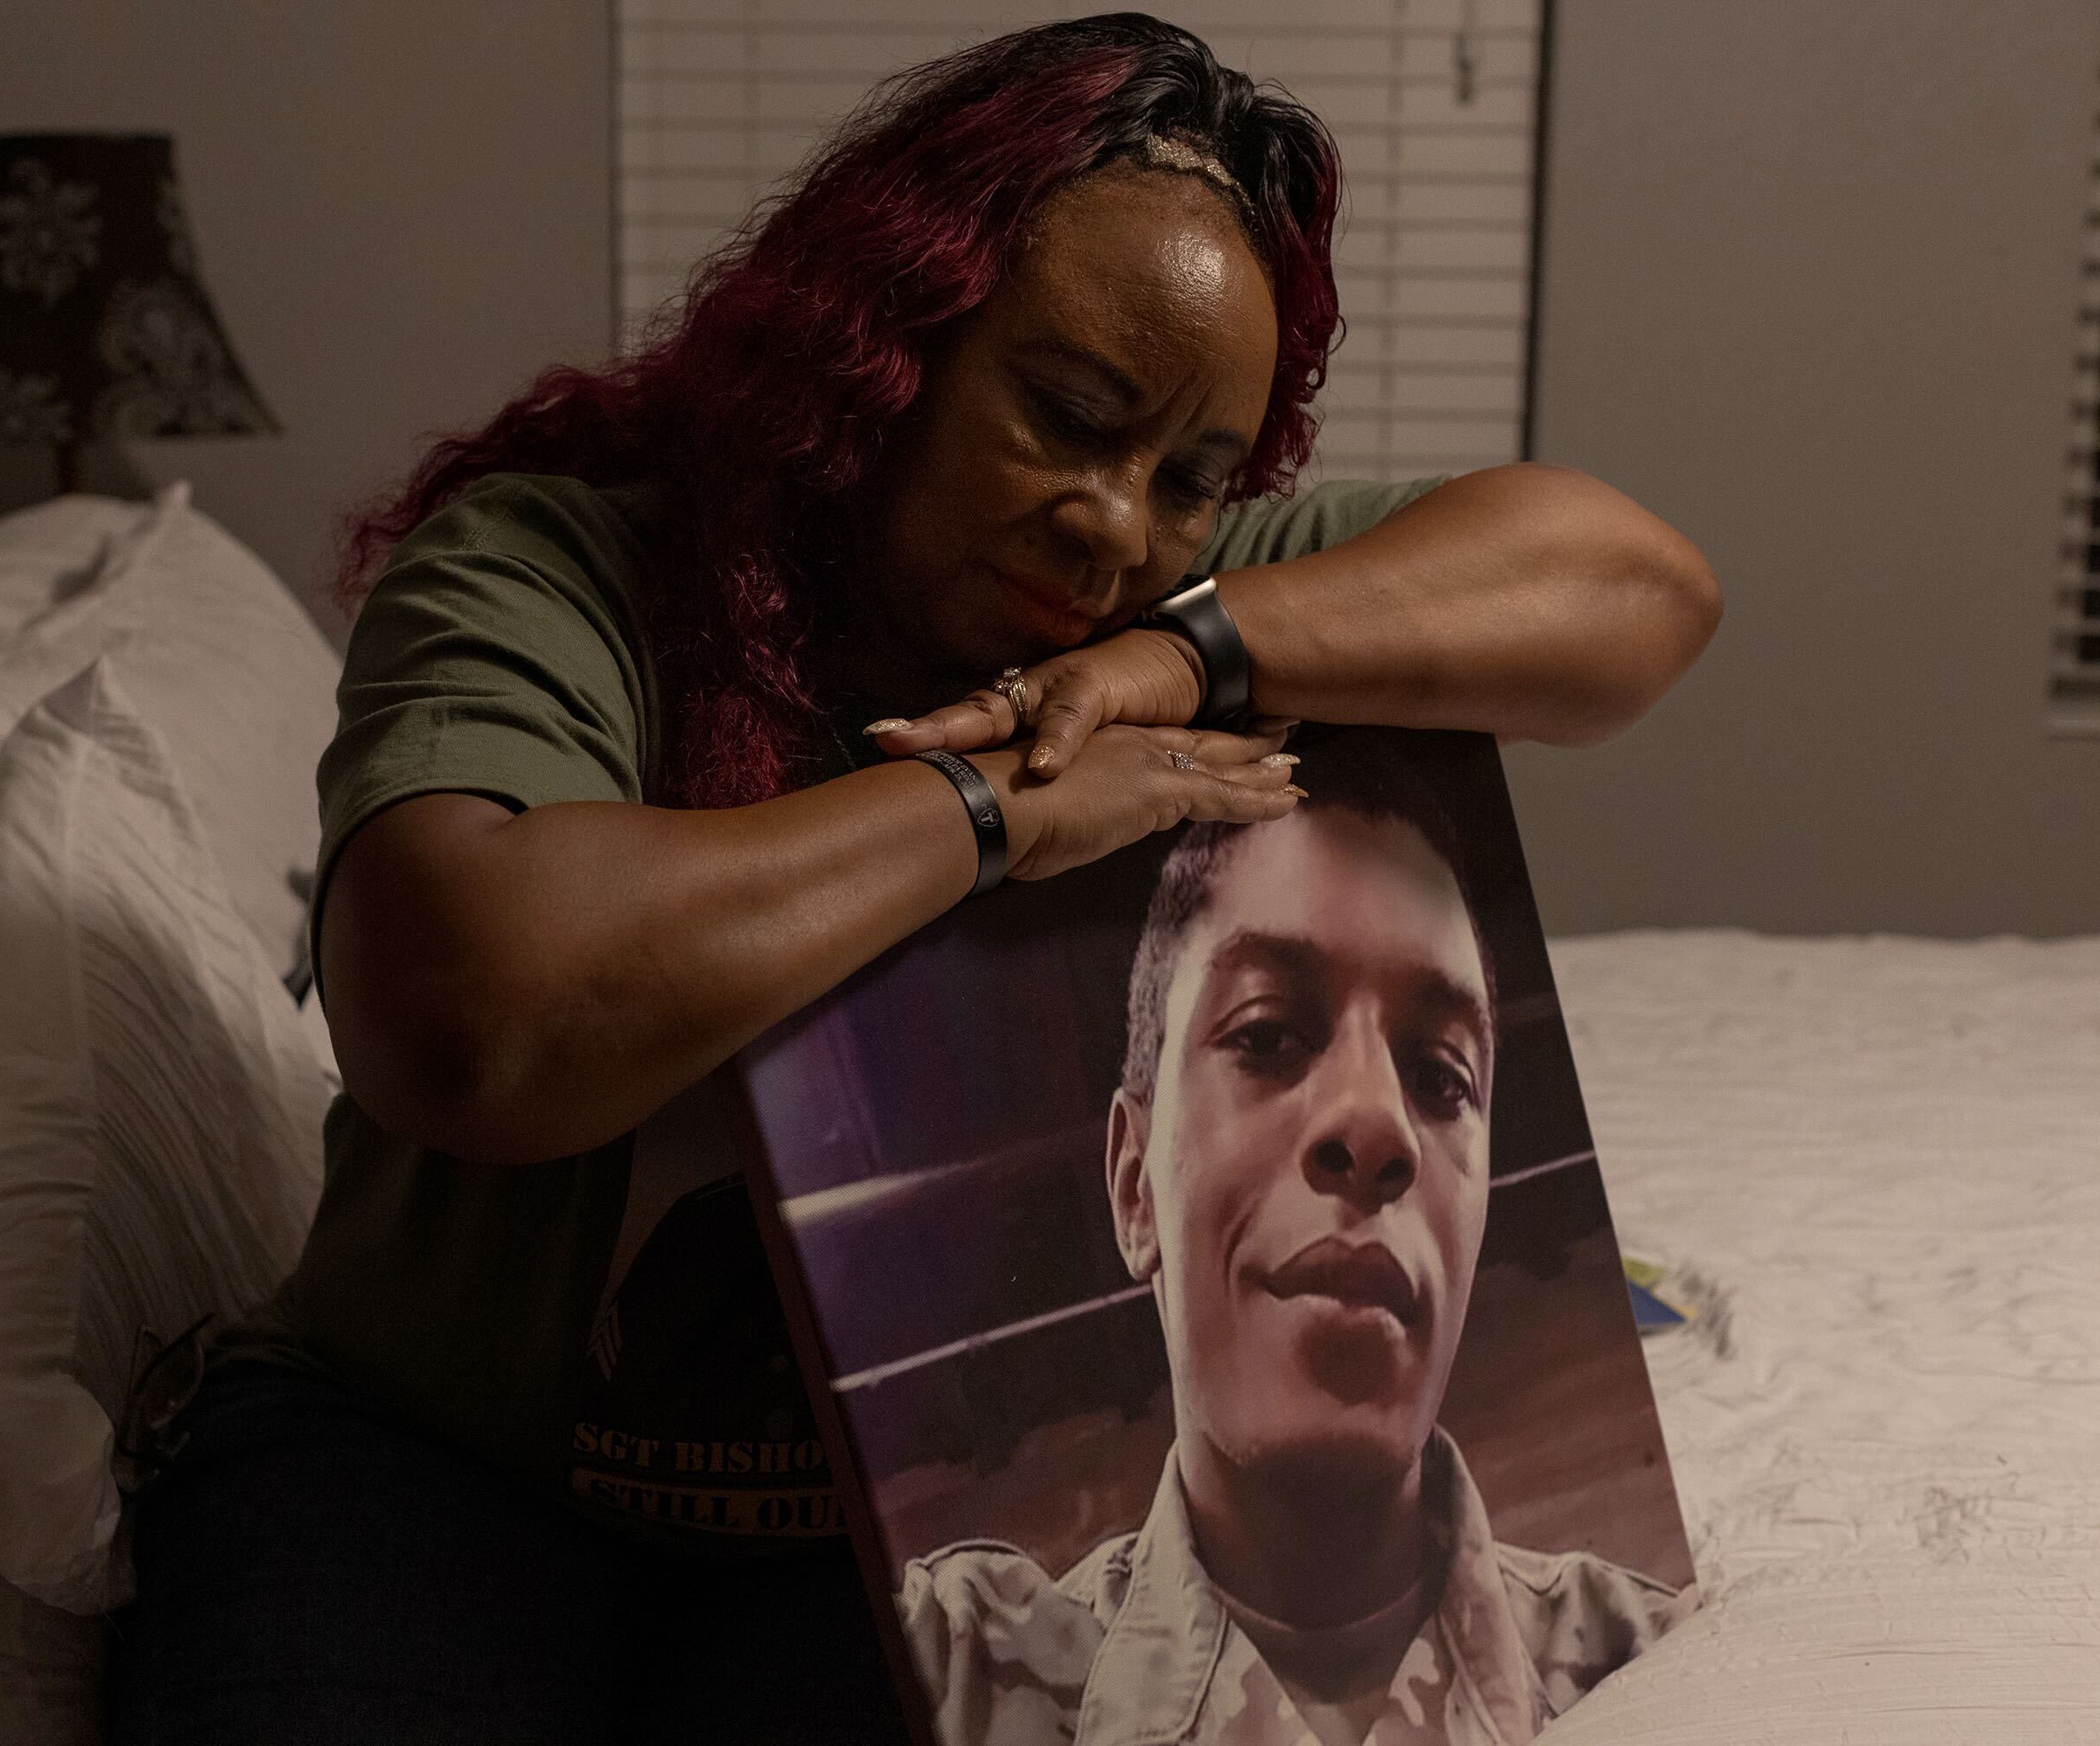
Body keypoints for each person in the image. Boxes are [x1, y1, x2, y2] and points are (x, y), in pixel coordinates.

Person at [104, 14, 1720, 1743]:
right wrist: (991, 803)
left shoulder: (1137, 608)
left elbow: (1635, 593)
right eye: (1068, 417)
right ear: (884, 347)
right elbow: (472, 1020)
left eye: (1191, 478)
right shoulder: (559, 563)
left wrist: (1187, 659)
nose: (1112, 524)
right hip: (427, 1451)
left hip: (893, 1528)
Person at [897, 738, 1695, 1746]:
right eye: (1269, 1033)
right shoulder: (955, 1667)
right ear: (1135, 1187)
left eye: (1443, 1077)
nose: (1377, 1123)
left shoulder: (1668, 1668)